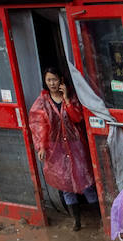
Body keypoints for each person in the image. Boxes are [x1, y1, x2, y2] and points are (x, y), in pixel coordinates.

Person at [28, 67, 97, 231]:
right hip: (56, 148)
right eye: (49, 80)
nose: (52, 83)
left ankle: (98, 217)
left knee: (85, 180)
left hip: (75, 145)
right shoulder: (42, 102)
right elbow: (39, 126)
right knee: (65, 185)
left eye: (54, 79)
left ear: (61, 80)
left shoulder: (71, 96)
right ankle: (76, 221)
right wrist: (42, 146)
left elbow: (77, 117)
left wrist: (66, 98)